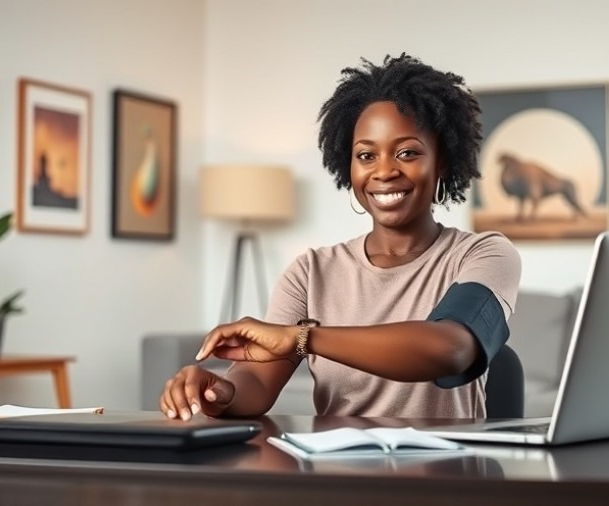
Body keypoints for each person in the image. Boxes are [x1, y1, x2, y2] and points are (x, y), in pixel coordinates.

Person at [160, 54, 521, 421]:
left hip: (444, 471)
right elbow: (258, 380)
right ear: (348, 166)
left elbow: (451, 348)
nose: (384, 171)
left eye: (407, 152)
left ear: (441, 162)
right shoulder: (311, 271)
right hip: (341, 470)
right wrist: (219, 391)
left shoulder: (483, 254)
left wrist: (303, 338)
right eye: (366, 155)